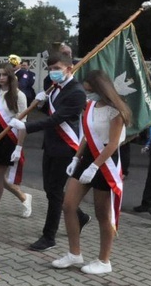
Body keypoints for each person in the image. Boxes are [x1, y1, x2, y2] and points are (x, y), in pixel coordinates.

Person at [51, 70, 131, 274]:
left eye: (90, 91)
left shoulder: (116, 110)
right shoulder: (90, 106)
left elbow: (113, 144)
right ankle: (74, 253)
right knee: (68, 205)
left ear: (100, 89)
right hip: (87, 158)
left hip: (105, 161)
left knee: (102, 213)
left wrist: (95, 166)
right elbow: (87, 135)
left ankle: (104, 260)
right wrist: (76, 158)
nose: (87, 95)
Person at [9, 51, 91, 251]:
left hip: (66, 148)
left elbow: (58, 119)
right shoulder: (54, 87)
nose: (53, 72)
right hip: (51, 145)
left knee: (54, 192)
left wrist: (26, 127)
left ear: (69, 68)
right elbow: (50, 112)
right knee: (50, 190)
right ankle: (80, 217)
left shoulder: (77, 92)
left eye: (57, 69)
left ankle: (49, 236)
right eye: (51, 69)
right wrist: (43, 102)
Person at [0, 64, 32, 223]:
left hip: (9, 137)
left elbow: (22, 123)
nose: (1, 78)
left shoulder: (19, 95)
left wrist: (19, 147)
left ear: (11, 76)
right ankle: (24, 197)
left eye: (4, 75)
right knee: (0, 177)